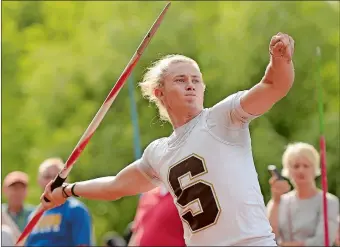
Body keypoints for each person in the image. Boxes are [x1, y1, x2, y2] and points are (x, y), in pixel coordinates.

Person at [41, 32, 295, 246]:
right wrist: (67, 190)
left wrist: (280, 60)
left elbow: (274, 86)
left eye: (196, 80)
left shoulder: (222, 118)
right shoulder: (159, 153)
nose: (191, 85)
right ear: (159, 92)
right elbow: (115, 186)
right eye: (180, 80)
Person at [267, 142, 339, 246]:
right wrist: (276, 201)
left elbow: (322, 241)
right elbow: (268, 237)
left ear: (315, 169)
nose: (301, 170)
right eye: (296, 166)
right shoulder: (279, 201)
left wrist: (285, 245)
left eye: (306, 166)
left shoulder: (328, 201)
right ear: (287, 170)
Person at [25, 158, 93, 246]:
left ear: (66, 180)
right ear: (39, 180)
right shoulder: (33, 214)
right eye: (47, 176)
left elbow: (83, 244)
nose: (51, 181)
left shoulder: (76, 210)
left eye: (56, 177)